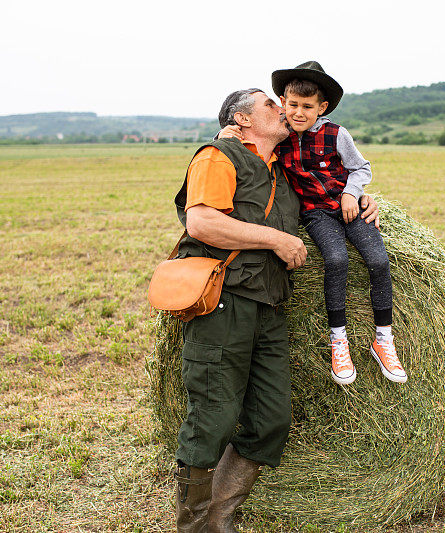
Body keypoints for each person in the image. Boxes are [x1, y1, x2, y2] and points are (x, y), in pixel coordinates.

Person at [171, 88, 380, 532]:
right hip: (224, 302)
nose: (283, 109)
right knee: (213, 416)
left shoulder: (283, 170)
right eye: (271, 104)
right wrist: (277, 240)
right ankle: (195, 527)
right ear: (242, 120)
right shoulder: (217, 156)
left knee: (271, 420)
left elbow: (330, 187)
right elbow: (202, 221)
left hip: (270, 306)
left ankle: (220, 518)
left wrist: (363, 199)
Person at [221, 61, 407, 386]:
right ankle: (339, 340)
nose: (298, 112)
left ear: (321, 108)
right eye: (291, 105)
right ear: (283, 102)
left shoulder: (337, 134)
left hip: (347, 208)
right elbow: (247, 146)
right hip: (315, 214)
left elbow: (360, 168)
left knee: (379, 260)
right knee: (336, 260)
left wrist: (355, 193)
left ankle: (383, 338)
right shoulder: (281, 138)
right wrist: (223, 135)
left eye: (307, 106)